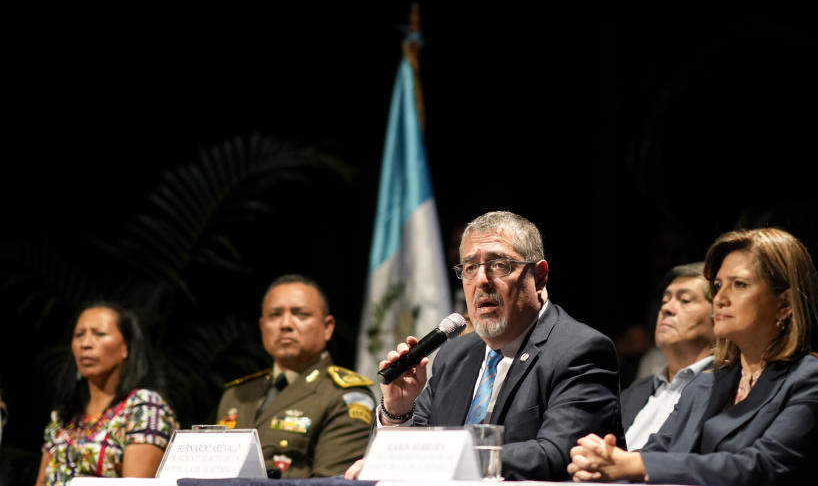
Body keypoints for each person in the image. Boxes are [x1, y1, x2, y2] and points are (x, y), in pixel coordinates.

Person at [349, 211, 623, 481]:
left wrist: (444, 460)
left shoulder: (580, 351)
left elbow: (558, 454)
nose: (481, 280)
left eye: (499, 265)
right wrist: (398, 411)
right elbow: (415, 450)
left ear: (539, 277)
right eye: (469, 268)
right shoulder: (454, 355)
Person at [568, 227, 818, 486]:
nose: (720, 298)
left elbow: (762, 466)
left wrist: (633, 464)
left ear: (784, 305)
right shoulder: (704, 385)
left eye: (739, 284)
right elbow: (656, 455)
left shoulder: (813, 381)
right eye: (718, 285)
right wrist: (603, 463)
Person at [216, 275, 375, 478]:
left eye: (301, 314)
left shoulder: (345, 397)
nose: (285, 324)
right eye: (274, 315)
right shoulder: (237, 395)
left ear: (327, 327)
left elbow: (332, 483)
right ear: (262, 326)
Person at [35, 302, 177, 485]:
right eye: (79, 335)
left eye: (99, 334)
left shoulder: (144, 407)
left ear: (126, 347)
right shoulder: (63, 415)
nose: (85, 344)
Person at [621, 262, 714, 450]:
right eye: (665, 301)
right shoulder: (635, 391)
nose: (666, 309)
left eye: (685, 300)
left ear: (720, 315)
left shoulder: (725, 389)